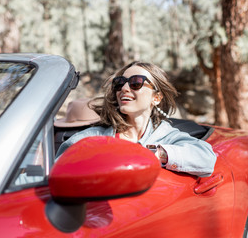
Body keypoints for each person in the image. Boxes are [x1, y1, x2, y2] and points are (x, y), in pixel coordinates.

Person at [56, 61, 216, 177]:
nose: (124, 88)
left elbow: (206, 159)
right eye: (120, 83)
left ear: (157, 97)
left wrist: (156, 154)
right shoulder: (91, 138)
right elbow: (57, 172)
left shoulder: (167, 135)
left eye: (136, 83)